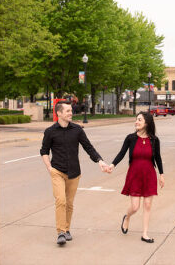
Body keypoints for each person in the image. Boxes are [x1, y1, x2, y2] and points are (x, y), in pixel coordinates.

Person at [40, 101, 112, 245]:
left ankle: (67, 229)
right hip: (57, 171)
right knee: (61, 200)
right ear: (59, 113)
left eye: (71, 110)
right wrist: (49, 168)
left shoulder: (77, 130)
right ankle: (60, 232)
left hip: (74, 172)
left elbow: (88, 147)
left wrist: (100, 161)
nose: (70, 113)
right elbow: (44, 151)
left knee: (69, 203)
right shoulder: (50, 131)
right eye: (67, 111)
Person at [109, 112, 165, 243]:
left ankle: (145, 234)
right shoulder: (131, 138)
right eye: (136, 119)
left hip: (149, 174)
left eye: (139, 120)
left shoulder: (154, 140)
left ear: (147, 123)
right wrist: (112, 165)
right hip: (134, 174)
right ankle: (127, 217)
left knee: (147, 205)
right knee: (135, 207)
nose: (136, 122)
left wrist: (161, 175)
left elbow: (158, 158)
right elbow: (122, 153)